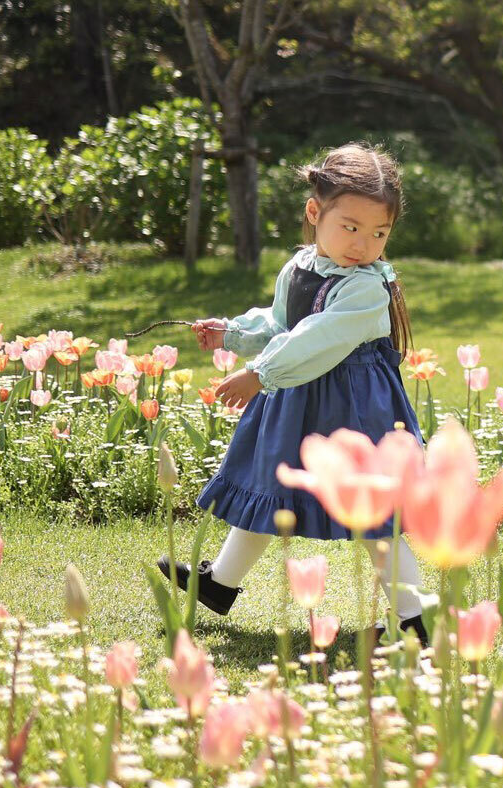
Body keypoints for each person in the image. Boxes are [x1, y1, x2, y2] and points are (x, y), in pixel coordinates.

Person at [157, 143, 428, 642]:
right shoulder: (301, 267)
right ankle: (220, 583)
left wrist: (259, 373)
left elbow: (316, 339)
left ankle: (415, 617)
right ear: (314, 213)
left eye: (379, 233)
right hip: (298, 399)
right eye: (351, 226)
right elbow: (282, 324)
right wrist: (232, 333)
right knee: (268, 488)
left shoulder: (365, 288)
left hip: (353, 410)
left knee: (372, 514)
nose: (363, 244)